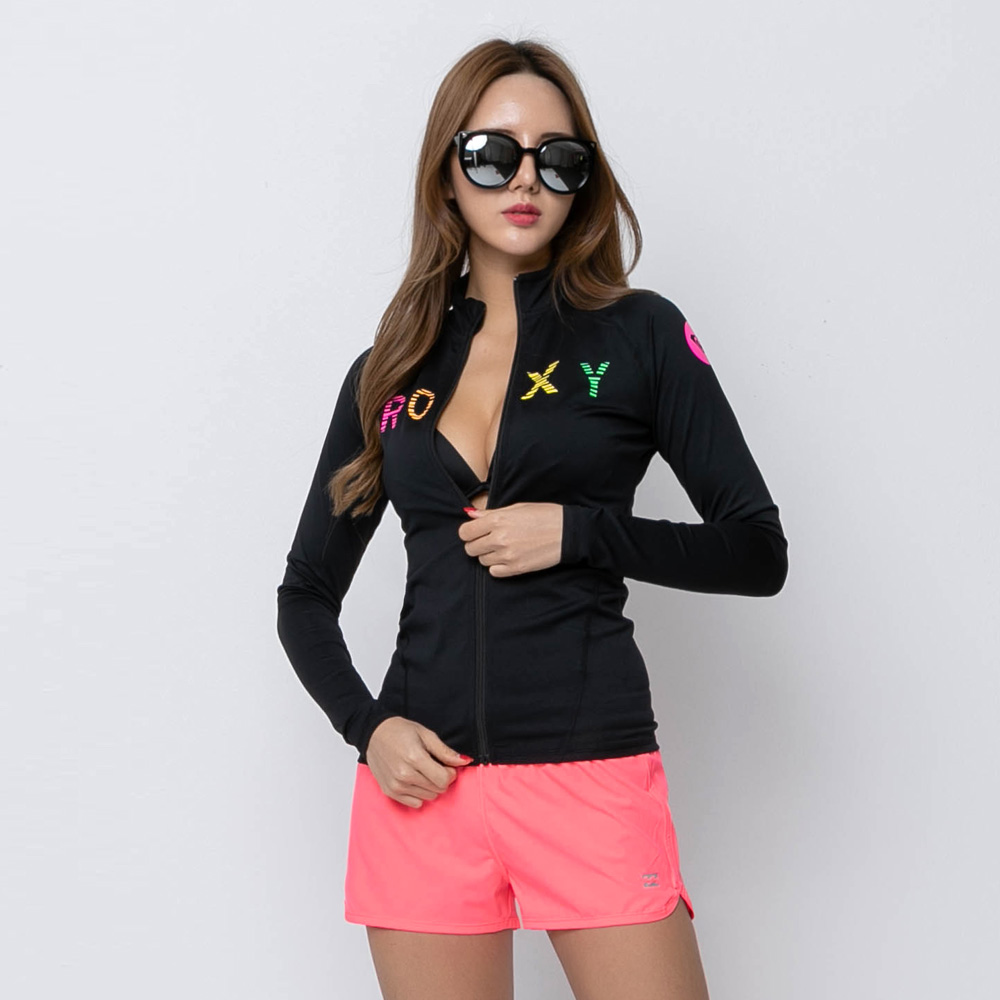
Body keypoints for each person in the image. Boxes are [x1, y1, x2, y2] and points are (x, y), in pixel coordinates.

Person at [276, 36, 787, 1000]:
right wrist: (368, 727)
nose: (525, 179)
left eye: (558, 158)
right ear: (447, 170)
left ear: (583, 178)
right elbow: (305, 593)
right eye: (492, 154)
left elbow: (757, 550)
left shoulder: (638, 334)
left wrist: (581, 532)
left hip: (588, 770)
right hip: (421, 786)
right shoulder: (389, 370)